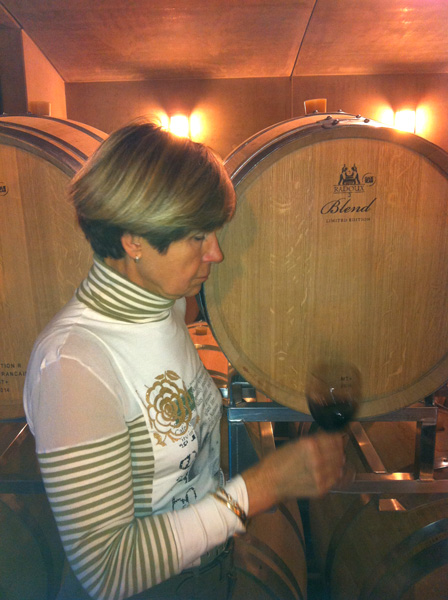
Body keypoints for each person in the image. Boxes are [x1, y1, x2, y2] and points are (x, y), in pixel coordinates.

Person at [23, 120, 345, 600]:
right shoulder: (73, 367)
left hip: (208, 572)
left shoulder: (166, 306)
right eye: (197, 237)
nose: (216, 253)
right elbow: (107, 569)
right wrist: (260, 488)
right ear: (133, 240)